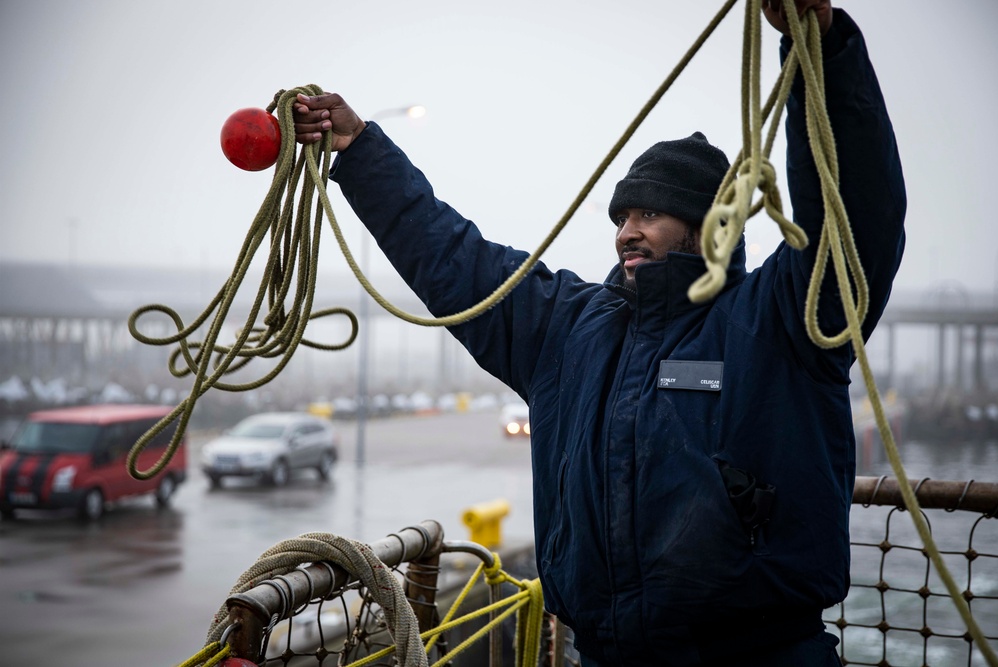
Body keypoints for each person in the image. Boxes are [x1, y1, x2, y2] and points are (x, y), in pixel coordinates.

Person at [293, 1, 905, 664]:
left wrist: (822, 48)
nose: (626, 231)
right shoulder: (569, 330)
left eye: (649, 212)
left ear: (708, 227)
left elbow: (855, 211)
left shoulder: (785, 317)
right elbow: (454, 260)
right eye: (621, 215)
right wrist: (359, 154)